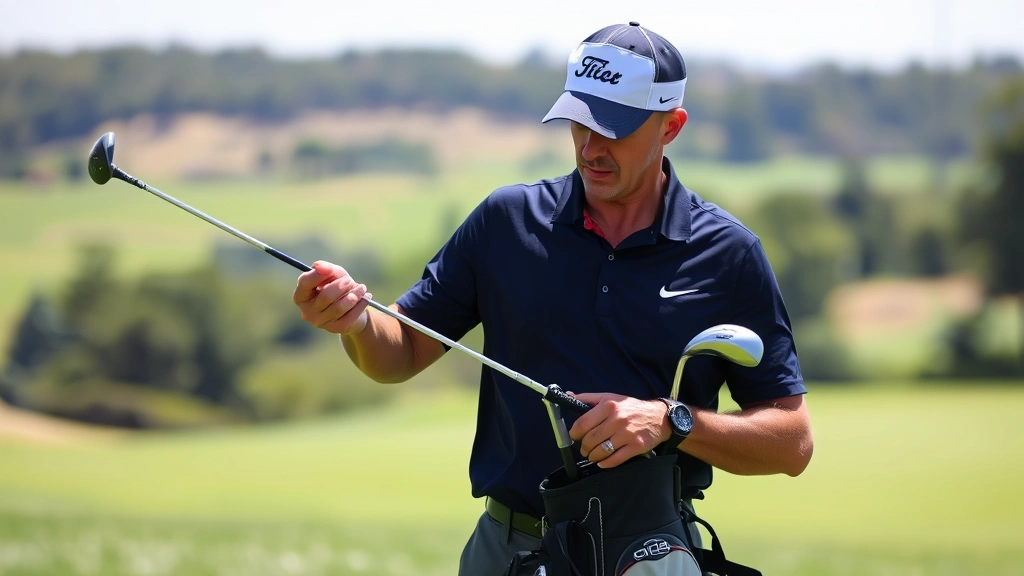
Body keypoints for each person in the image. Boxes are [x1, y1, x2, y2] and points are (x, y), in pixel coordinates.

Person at [292, 21, 813, 576]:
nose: (591, 147)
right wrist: (356, 324)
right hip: (509, 549)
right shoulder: (506, 222)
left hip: (650, 553)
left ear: (671, 126)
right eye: (581, 121)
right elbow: (398, 354)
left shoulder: (728, 252)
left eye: (616, 127)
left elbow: (791, 443)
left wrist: (671, 420)